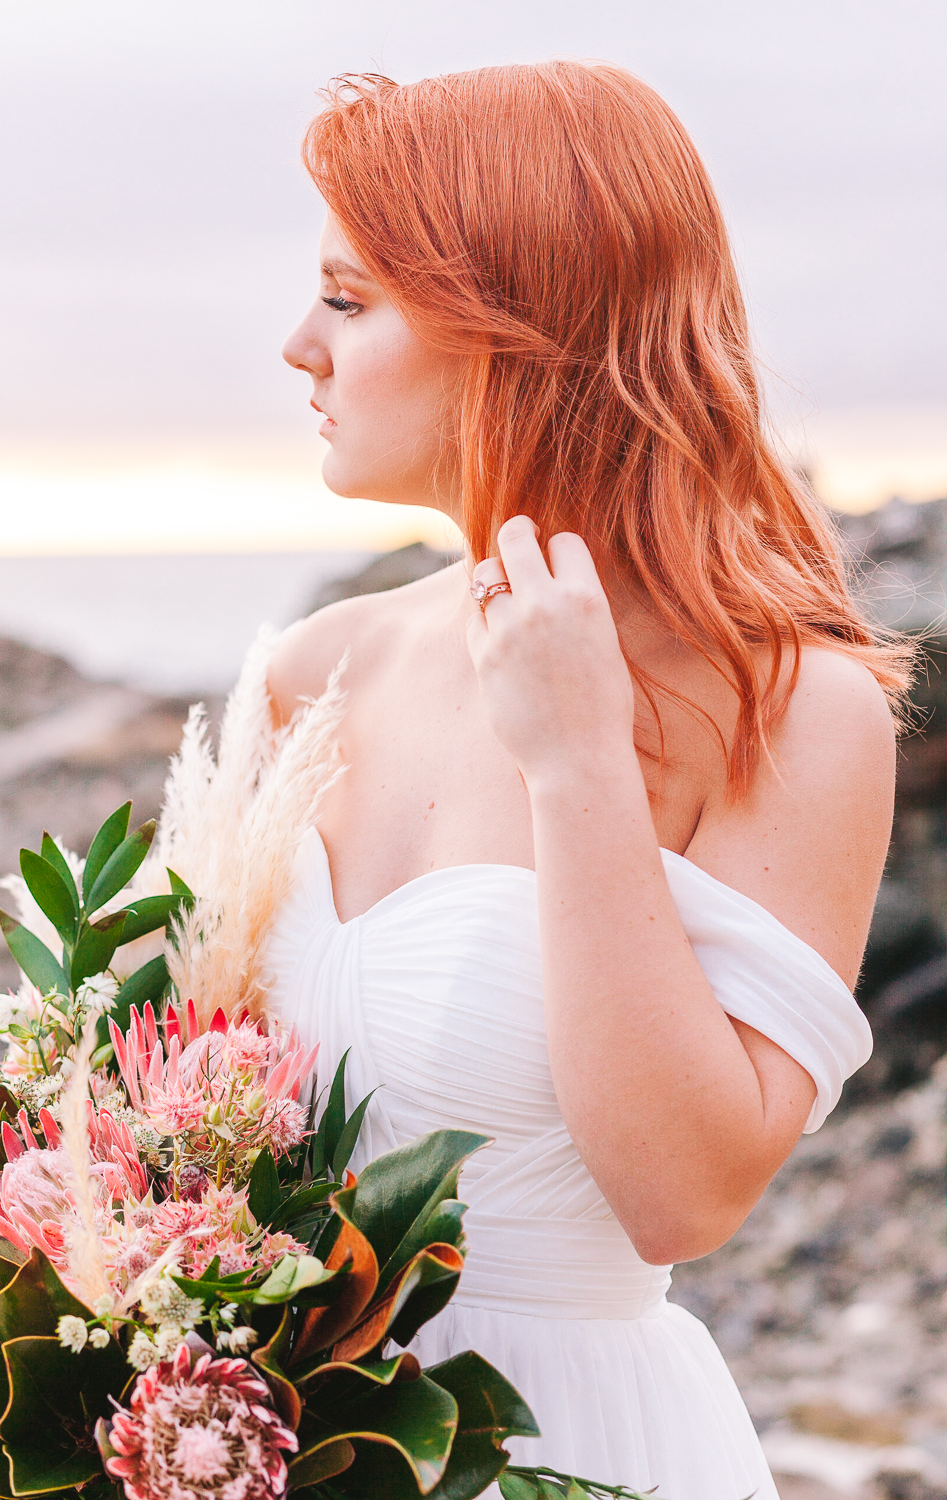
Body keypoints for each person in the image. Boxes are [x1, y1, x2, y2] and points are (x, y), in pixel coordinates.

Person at [265, 63, 910, 1498]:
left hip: (570, 1446)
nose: (297, 344)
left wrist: (578, 769)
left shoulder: (791, 710)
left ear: (520, 329)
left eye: (350, 300)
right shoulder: (314, 668)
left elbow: (684, 1195)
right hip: (261, 1439)